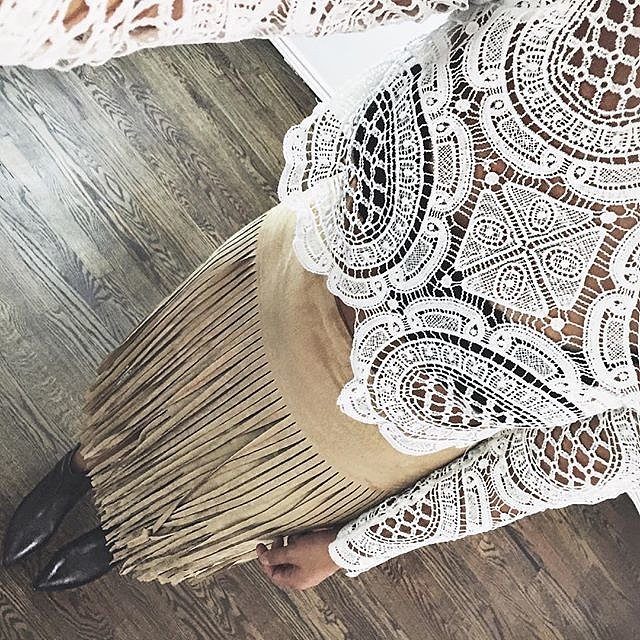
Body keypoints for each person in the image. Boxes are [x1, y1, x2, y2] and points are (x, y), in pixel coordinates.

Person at [2, 0, 639, 593]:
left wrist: (354, 546)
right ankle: (85, 463)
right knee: (162, 393)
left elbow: (598, 450)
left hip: (373, 432)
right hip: (300, 270)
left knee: (225, 493)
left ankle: (134, 535)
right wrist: (75, 18)